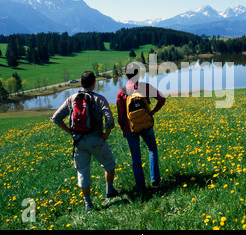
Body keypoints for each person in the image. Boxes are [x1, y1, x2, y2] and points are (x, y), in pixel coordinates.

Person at [51, 71, 119, 212]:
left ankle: (88, 204)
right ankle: (110, 190)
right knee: (109, 164)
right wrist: (106, 134)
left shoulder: (71, 99)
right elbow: (110, 119)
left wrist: (71, 132)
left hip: (79, 141)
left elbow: (56, 118)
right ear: (94, 83)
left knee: (82, 171)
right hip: (96, 139)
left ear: (81, 83)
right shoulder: (99, 99)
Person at [117, 63, 166, 192]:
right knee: (152, 149)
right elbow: (162, 99)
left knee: (136, 157)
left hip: (130, 128)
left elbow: (121, 115)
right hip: (146, 124)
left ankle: (141, 187)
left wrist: (123, 129)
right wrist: (153, 112)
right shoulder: (145, 87)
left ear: (126, 75)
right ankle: (155, 179)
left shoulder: (121, 92)